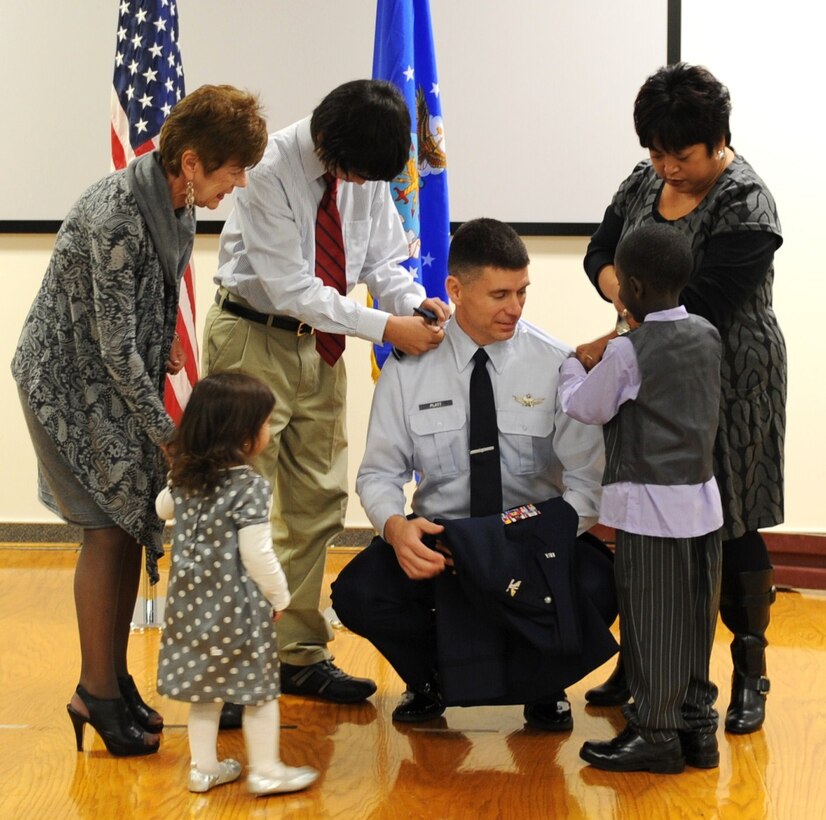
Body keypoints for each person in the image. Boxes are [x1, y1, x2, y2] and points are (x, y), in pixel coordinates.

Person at [11, 85, 268, 757]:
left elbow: (146, 308)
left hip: (111, 384)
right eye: (231, 170)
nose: (236, 185)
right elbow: (112, 347)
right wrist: (169, 436)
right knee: (105, 530)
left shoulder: (174, 202)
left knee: (126, 526)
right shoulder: (120, 214)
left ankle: (113, 679)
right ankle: (93, 693)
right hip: (65, 386)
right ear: (190, 161)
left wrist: (171, 343)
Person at [203, 79, 450, 711]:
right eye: (356, 175)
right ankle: (232, 670)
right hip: (253, 338)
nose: (364, 188)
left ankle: (298, 654)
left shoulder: (362, 174)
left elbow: (385, 262)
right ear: (327, 145)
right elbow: (291, 288)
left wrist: (411, 304)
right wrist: (384, 328)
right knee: (241, 504)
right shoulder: (267, 168)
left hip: (322, 346)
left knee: (317, 501)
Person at [331, 218, 611, 730]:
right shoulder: (409, 368)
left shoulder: (554, 363)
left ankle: (543, 686)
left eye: (523, 292)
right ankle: (431, 680)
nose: (515, 308)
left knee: (601, 581)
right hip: (446, 542)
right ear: (455, 290)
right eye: (499, 294)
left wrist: (537, 539)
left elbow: (587, 481)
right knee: (358, 591)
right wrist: (397, 530)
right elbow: (379, 474)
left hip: (530, 540)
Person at [577, 63, 785, 735]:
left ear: (718, 140)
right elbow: (600, 250)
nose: (666, 167)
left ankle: (749, 674)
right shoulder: (644, 180)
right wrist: (616, 285)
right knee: (640, 516)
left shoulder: (746, 202)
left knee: (731, 517)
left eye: (681, 155)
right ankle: (641, 664)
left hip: (726, 377)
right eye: (656, 152)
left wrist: (626, 324)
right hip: (640, 363)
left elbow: (701, 305)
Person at [560, 224, 723, 774]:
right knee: (696, 621)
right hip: (703, 506)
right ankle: (698, 729)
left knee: (652, 623)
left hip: (649, 510)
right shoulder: (707, 333)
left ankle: (655, 732)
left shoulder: (629, 351)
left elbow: (586, 407)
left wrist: (570, 368)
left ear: (629, 288)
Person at [156, 373, 318, 796]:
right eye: (264, 424)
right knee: (260, 692)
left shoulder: (185, 479)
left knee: (203, 691)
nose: (268, 431)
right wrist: (280, 595)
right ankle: (266, 769)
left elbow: (161, 510)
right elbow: (257, 553)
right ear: (244, 437)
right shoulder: (249, 487)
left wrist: (176, 472)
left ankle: (204, 768)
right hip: (237, 610)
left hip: (188, 609)